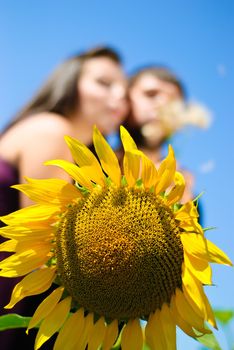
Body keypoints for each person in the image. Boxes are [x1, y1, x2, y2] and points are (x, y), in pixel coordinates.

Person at [0, 46, 129, 349]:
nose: (118, 97)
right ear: (70, 83)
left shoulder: (76, 151)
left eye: (124, 91)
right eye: (104, 83)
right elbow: (50, 240)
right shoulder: (53, 130)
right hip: (13, 294)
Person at [123, 65, 197, 204]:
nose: (161, 104)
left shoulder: (186, 192)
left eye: (173, 102)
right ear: (125, 98)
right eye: (151, 94)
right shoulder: (92, 166)